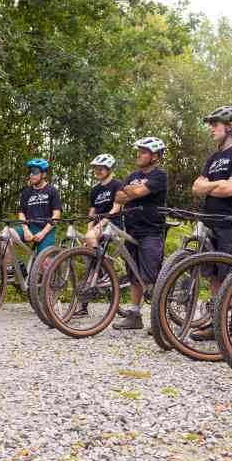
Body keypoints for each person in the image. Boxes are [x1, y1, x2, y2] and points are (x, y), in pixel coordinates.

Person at [188, 106, 232, 344]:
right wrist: (217, 185)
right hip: (209, 222)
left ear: (231, 126)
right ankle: (217, 324)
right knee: (214, 276)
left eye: (215, 124)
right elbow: (196, 188)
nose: (211, 129)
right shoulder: (213, 158)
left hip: (231, 223)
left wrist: (211, 186)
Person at [112, 137, 168, 331]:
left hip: (151, 230)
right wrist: (132, 191)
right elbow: (119, 196)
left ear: (154, 156)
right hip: (132, 230)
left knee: (152, 277)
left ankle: (160, 320)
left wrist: (132, 192)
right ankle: (134, 315)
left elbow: (136, 193)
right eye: (140, 151)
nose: (139, 154)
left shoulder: (160, 175)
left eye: (144, 152)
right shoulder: (132, 175)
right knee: (134, 275)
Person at [75, 153, 123, 317]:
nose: (98, 171)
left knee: (94, 258)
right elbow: (92, 212)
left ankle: (103, 268)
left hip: (113, 224)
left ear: (109, 169)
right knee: (90, 263)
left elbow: (116, 209)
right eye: (96, 168)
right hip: (98, 229)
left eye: (101, 168)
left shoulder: (117, 185)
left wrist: (100, 225)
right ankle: (84, 306)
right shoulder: (95, 189)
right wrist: (89, 229)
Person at [12, 159, 62, 267]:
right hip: (29, 227)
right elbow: (21, 213)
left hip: (46, 230)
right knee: (4, 236)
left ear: (43, 174)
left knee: (45, 265)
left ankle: (44, 281)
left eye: (34, 172)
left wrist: (43, 233)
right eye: (30, 172)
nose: (31, 175)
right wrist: (25, 230)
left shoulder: (52, 191)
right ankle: (13, 268)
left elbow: (56, 215)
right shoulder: (26, 192)